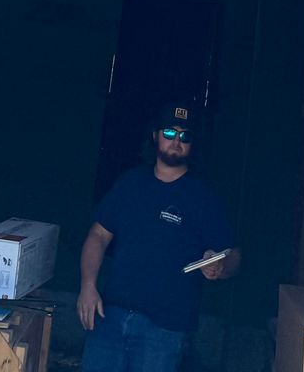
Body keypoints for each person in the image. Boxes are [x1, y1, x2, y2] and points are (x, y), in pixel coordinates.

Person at [78, 101, 241, 372]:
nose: (176, 141)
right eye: (169, 133)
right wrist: (87, 286)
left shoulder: (202, 197)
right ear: (155, 135)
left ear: (191, 144)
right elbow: (98, 235)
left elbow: (234, 255)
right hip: (110, 316)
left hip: (164, 331)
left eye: (184, 136)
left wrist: (221, 265)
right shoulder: (130, 184)